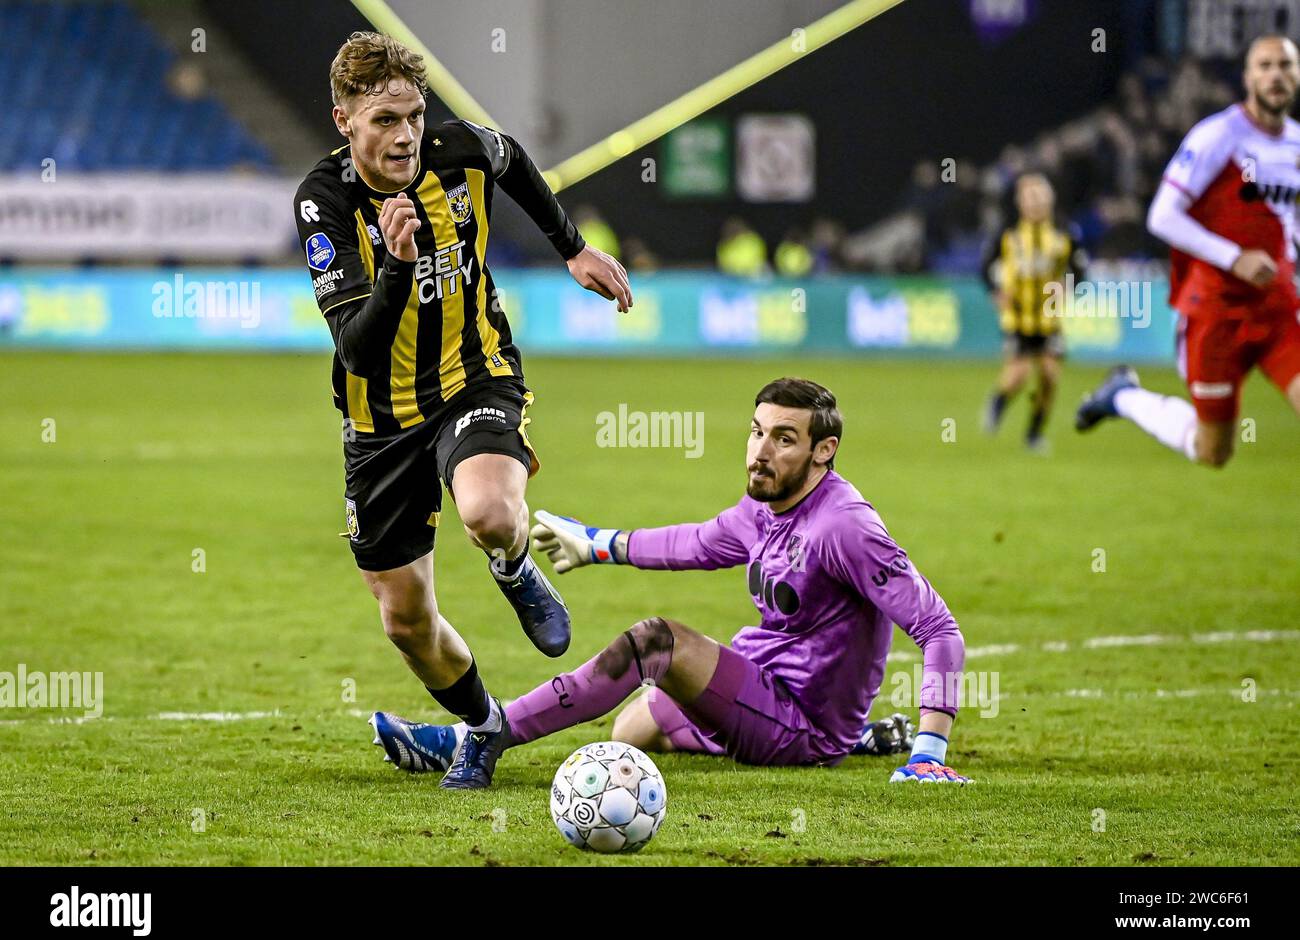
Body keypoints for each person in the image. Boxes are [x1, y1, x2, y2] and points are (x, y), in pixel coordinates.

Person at [292, 32, 631, 789]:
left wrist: (570, 246)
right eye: (384, 119)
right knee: (405, 620)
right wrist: (399, 269)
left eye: (413, 114)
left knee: (488, 511)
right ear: (344, 121)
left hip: (474, 377)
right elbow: (355, 347)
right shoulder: (326, 200)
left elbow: (509, 155)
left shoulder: (459, 149)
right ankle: (482, 727)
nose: (405, 133)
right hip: (378, 421)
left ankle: (513, 566)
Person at [370, 379, 971, 787]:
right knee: (633, 727)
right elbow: (700, 543)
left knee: (657, 643)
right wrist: (597, 543)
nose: (760, 451)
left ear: (824, 452)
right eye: (756, 431)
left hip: (799, 719)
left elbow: (939, 629)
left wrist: (930, 754)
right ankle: (859, 739)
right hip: (762, 680)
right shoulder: (766, 504)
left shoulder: (846, 528)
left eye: (784, 439)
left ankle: (486, 733)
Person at [1077, 35, 1300, 465]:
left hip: (1275, 309)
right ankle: (1124, 396)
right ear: (1248, 77)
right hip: (1216, 311)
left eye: (1285, 65)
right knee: (1212, 451)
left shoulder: (1296, 143)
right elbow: (1162, 216)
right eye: (1265, 66)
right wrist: (1234, 257)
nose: (1276, 75)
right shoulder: (1218, 136)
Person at [982, 172, 1087, 452]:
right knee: (1019, 375)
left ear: (1050, 200)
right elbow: (985, 267)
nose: (1036, 203)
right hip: (1017, 318)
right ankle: (998, 401)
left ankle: (1034, 434)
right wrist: (996, 291)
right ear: (1021, 203)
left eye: (1040, 197)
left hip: (1050, 320)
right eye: (1030, 198)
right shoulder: (1008, 235)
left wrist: (1068, 287)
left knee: (1050, 377)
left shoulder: (1064, 232)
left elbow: (1080, 268)